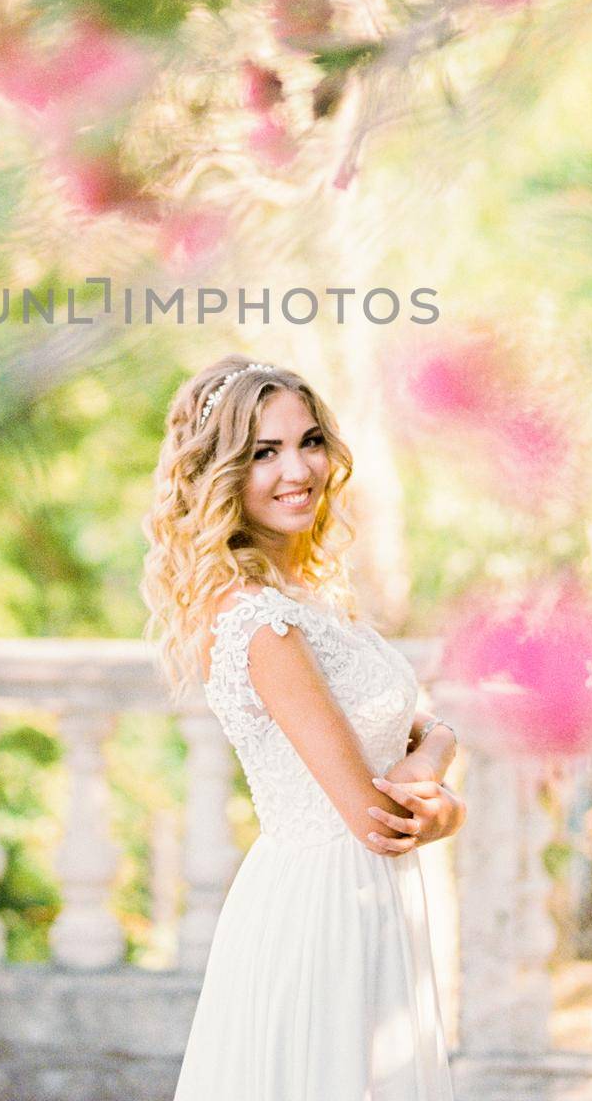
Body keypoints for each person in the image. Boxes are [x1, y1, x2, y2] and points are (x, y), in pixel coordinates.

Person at [141, 355, 464, 1101]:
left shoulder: (306, 598)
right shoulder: (260, 622)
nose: (298, 469)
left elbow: (396, 732)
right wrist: (442, 754)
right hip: (325, 909)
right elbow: (378, 815)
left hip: (365, 899)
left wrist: (435, 759)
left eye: (309, 441)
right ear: (219, 472)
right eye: (263, 452)